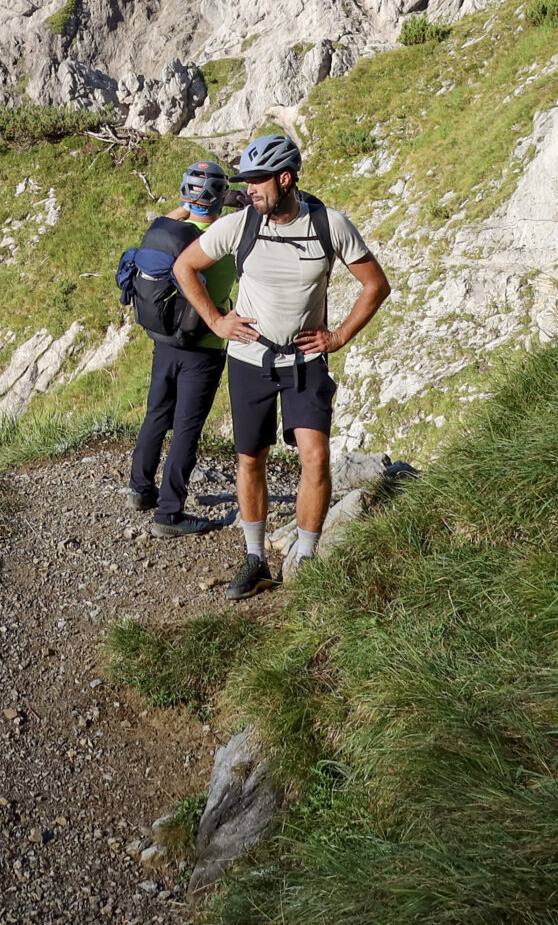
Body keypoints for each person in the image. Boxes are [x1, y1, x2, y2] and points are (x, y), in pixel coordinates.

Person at [172, 133, 390, 599]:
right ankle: (256, 560)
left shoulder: (329, 225)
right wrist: (216, 319)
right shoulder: (240, 225)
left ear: (285, 179)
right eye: (245, 182)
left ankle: (306, 562)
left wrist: (339, 336)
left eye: (256, 181)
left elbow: (375, 285)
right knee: (250, 458)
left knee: (316, 457)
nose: (247, 190)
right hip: (250, 358)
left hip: (307, 359)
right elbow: (184, 267)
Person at [125, 160, 237, 533]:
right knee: (187, 428)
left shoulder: (166, 233)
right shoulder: (220, 241)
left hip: (165, 340)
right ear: (221, 196)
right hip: (202, 346)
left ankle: (140, 489)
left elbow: (174, 217)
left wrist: (194, 204)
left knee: (157, 414)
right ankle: (169, 514)